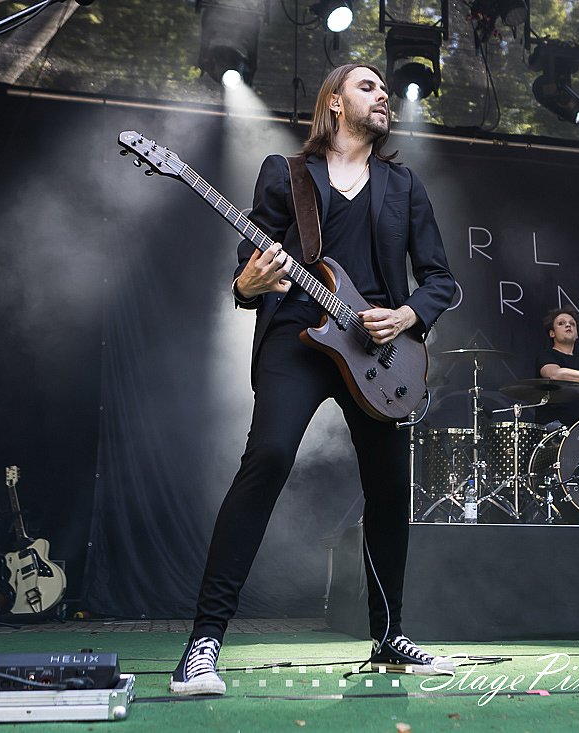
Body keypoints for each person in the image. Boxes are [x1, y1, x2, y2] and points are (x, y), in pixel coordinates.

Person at [170, 63, 457, 696]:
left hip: (376, 350)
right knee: (268, 458)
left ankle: (389, 637)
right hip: (299, 335)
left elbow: (441, 279)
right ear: (333, 102)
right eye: (367, 86)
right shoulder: (286, 173)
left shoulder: (404, 185)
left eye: (385, 89)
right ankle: (203, 644)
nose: (383, 95)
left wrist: (406, 315)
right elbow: (251, 263)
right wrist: (246, 285)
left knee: (391, 488)